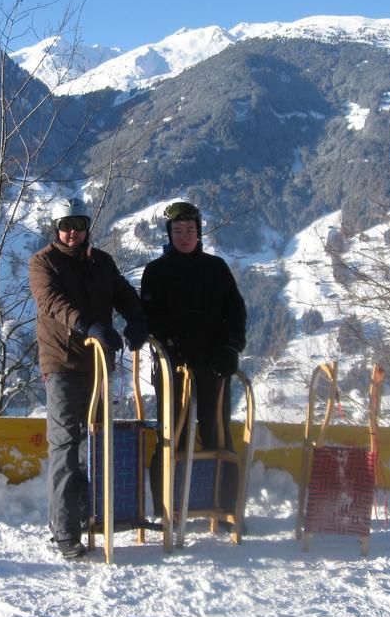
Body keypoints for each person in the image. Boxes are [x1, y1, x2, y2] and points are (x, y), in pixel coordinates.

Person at [29, 197, 148, 559]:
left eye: (78, 225)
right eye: (65, 226)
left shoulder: (101, 262)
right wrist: (88, 325)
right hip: (62, 364)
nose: (72, 232)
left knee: (94, 444)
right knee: (65, 444)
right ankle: (65, 529)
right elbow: (50, 301)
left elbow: (123, 293)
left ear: (87, 227)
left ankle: (89, 514)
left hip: (99, 364)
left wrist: (137, 317)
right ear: (56, 228)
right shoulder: (43, 262)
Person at [140, 200, 247, 516]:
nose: (184, 236)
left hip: (214, 366)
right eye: (177, 231)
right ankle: (166, 509)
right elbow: (151, 319)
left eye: (190, 230)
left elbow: (236, 313)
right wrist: (170, 347)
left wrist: (231, 348)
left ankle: (226, 508)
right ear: (169, 234)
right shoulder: (156, 272)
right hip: (172, 367)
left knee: (218, 434)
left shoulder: (216, 269)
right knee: (172, 436)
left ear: (199, 233)